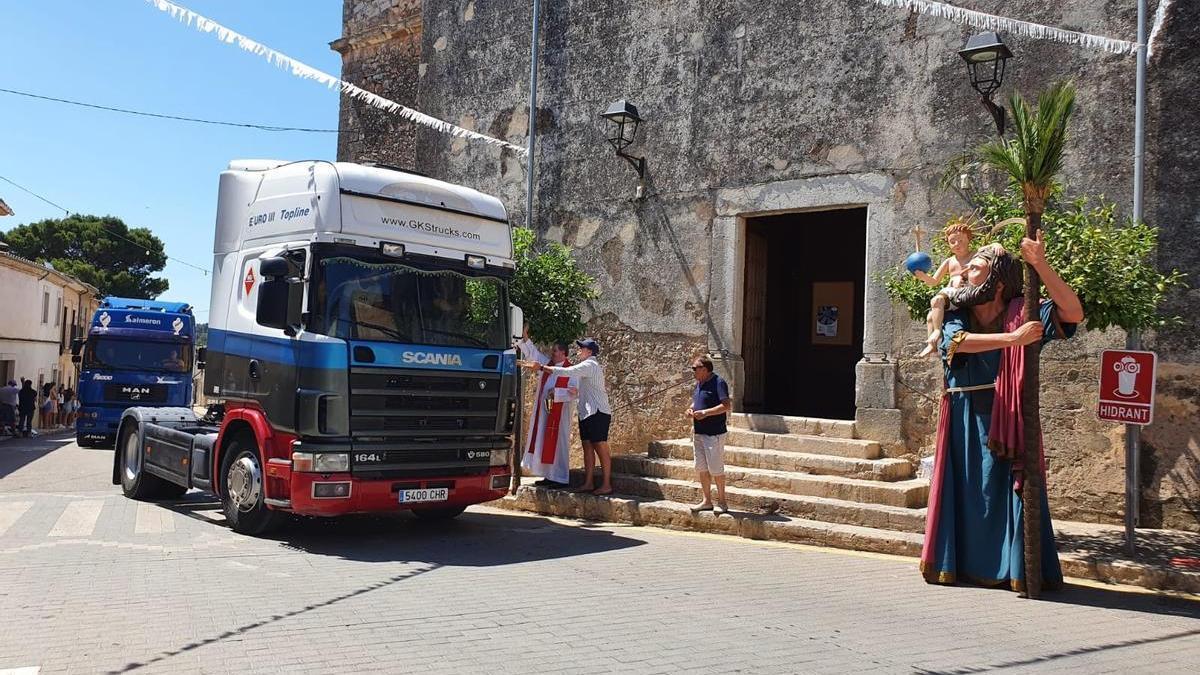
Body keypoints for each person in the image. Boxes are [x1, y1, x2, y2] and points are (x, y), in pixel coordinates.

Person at [920, 232, 1085, 592]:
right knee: (966, 492)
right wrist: (1013, 340)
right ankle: (959, 564)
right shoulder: (955, 313)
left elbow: (1073, 311)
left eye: (974, 268)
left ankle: (1014, 567)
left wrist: (1040, 264)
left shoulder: (1021, 312)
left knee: (1011, 490)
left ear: (996, 281)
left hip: (1010, 413)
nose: (962, 274)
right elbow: (956, 344)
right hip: (965, 415)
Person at [521, 337, 613, 495]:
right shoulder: (580, 365)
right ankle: (588, 483)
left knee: (600, 447)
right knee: (587, 447)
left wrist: (543, 371)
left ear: (589, 352)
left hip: (596, 412)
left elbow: (570, 376)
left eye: (582, 348)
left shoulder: (590, 364)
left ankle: (606, 484)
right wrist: (525, 340)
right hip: (586, 413)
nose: (579, 350)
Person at [514, 326, 575, 486]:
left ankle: (560, 478)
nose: (552, 353)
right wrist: (524, 337)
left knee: (558, 444)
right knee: (543, 442)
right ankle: (549, 475)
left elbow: (574, 392)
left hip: (560, 416)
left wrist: (556, 393)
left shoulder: (571, 370)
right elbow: (533, 354)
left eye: (555, 351)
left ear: (563, 353)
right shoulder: (548, 364)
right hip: (545, 414)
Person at [912, 220, 976, 358]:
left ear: (968, 239)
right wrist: (923, 276)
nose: (957, 244)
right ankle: (932, 346)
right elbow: (934, 281)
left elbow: (989, 251)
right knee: (930, 316)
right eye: (952, 241)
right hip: (951, 294)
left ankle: (936, 331)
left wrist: (996, 245)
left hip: (965, 292)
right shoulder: (949, 261)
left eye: (960, 240)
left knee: (936, 300)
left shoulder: (975, 255)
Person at [686, 355, 733, 514]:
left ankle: (722, 502)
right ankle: (707, 501)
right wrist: (691, 409)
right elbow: (697, 401)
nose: (692, 371)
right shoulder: (699, 383)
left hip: (714, 434)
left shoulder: (719, 383)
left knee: (716, 468)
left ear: (705, 369)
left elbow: (726, 405)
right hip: (699, 432)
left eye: (695, 368)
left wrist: (705, 413)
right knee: (701, 468)